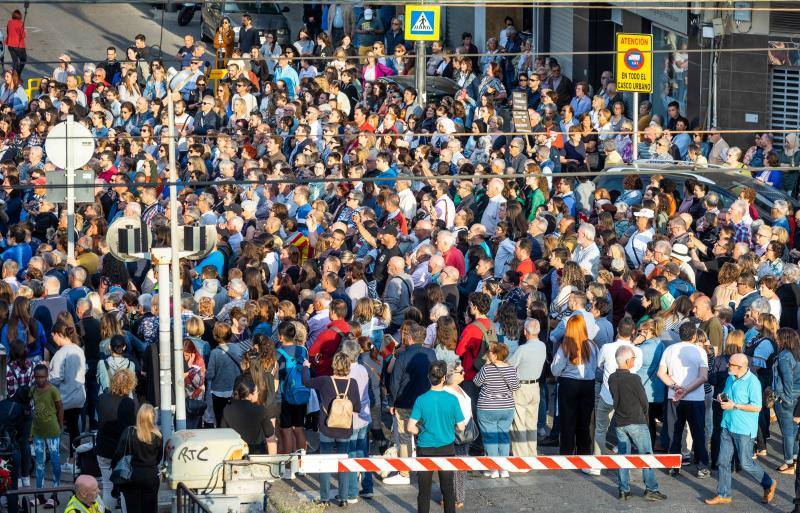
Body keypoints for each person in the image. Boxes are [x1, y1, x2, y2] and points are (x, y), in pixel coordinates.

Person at [704, 353, 776, 505]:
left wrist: (734, 405)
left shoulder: (753, 382)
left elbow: (757, 407)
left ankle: (768, 483)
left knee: (746, 463)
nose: (727, 366)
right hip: (727, 425)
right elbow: (727, 394)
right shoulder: (730, 377)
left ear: (741, 367)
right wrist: (721, 396)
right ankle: (723, 494)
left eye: (730, 364)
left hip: (744, 429)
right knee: (723, 461)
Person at [407, 361, 467, 513]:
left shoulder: (421, 399)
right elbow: (461, 426)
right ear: (444, 377)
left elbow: (410, 427)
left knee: (424, 491)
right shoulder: (452, 399)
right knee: (448, 490)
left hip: (425, 448)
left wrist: (420, 431)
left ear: (428, 377)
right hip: (447, 448)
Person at [302, 352, 361, 506]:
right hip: (345, 428)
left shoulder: (325, 381)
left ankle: (324, 498)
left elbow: (306, 382)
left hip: (326, 427)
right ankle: (343, 498)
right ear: (348, 366)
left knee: (325, 462)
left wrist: (306, 367)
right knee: (343, 463)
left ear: (334, 365)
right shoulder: (353, 383)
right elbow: (357, 407)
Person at [609, 345, 666, 501]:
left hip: (620, 422)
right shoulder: (634, 379)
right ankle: (651, 488)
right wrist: (645, 419)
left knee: (623, 456)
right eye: (633, 358)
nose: (635, 360)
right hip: (636, 421)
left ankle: (624, 489)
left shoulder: (612, 378)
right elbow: (644, 402)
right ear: (628, 361)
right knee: (646, 455)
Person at [657, 322, 710, 478]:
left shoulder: (669, 350)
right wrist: (686, 389)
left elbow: (661, 373)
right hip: (695, 398)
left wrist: (676, 387)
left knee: (674, 432)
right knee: (698, 432)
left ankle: (673, 466)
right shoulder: (700, 351)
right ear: (694, 336)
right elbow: (703, 377)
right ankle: (702, 466)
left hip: (674, 396)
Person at [550, 315, 598, 457]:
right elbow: (595, 366)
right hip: (588, 385)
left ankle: (567, 455)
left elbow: (555, 370)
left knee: (567, 423)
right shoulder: (592, 345)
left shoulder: (565, 346)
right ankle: (584, 455)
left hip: (569, 384)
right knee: (584, 423)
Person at [474, 342, 519, 477]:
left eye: (489, 351)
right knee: (503, 435)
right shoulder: (510, 369)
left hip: (487, 407)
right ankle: (503, 468)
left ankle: (493, 468)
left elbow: (477, 382)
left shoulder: (487, 369)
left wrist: (487, 364)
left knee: (490, 437)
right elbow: (516, 386)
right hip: (506, 407)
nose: (487, 353)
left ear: (494, 355)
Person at [95, 369, 136, 510]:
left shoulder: (101, 399)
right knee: (124, 489)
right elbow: (131, 427)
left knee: (107, 487)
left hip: (104, 448)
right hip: (122, 451)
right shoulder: (129, 403)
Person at [112, 404, 163, 513]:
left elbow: (119, 454)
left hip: (131, 475)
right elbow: (159, 457)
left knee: (132, 508)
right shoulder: (158, 435)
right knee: (150, 509)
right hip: (151, 474)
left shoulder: (129, 432)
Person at [507, 319, 547, 456]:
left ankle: (521, 457)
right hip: (535, 386)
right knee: (531, 423)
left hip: (521, 387)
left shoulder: (522, 349)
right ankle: (531, 453)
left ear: (525, 332)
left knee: (519, 424)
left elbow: (509, 365)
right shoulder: (542, 346)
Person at [31, 363, 62, 508]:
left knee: (55, 461)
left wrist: (60, 425)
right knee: (39, 463)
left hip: (52, 431)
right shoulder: (33, 390)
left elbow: (60, 408)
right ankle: (40, 494)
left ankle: (55, 494)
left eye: (42, 377)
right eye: (37, 377)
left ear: (47, 376)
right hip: (37, 432)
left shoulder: (53, 390)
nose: (40, 379)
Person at [221, 375, 275, 454]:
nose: (258, 393)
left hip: (235, 455)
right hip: (257, 456)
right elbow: (270, 438)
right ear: (250, 395)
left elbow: (223, 436)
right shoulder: (261, 410)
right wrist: (273, 460)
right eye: (257, 391)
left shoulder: (227, 410)